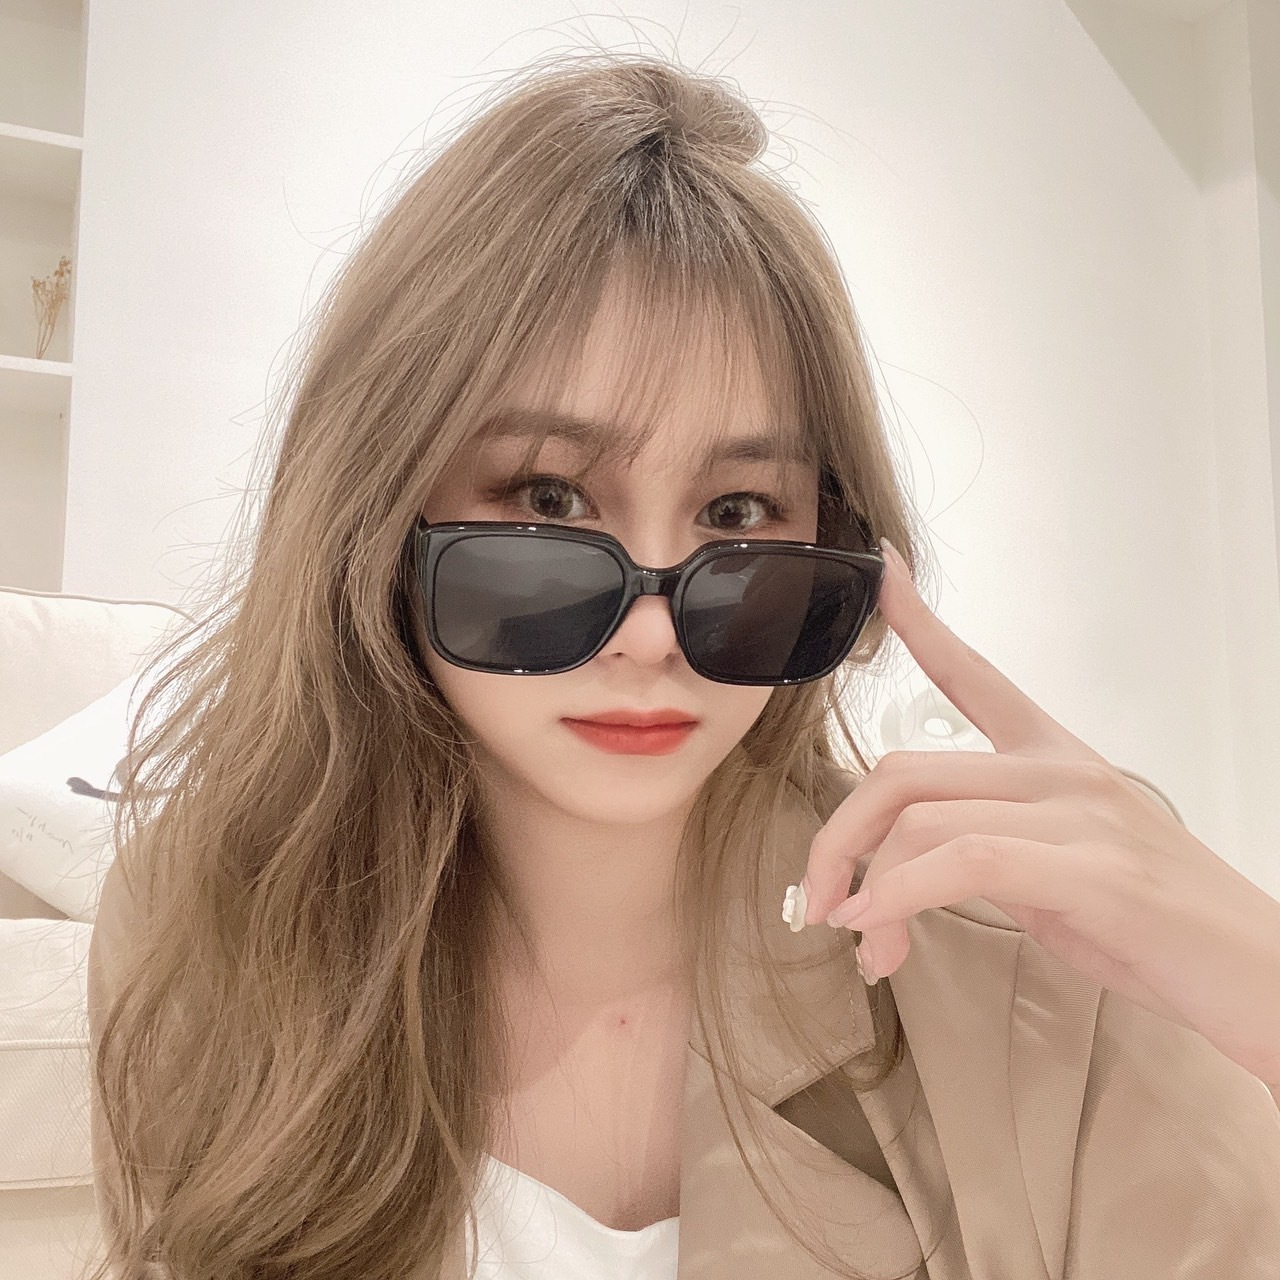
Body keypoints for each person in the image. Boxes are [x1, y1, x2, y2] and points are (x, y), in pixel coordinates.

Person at [85, 48, 1280, 1280]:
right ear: (378, 517)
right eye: (548, 496)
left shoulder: (1021, 970)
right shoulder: (216, 925)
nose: (651, 634)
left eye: (735, 512)